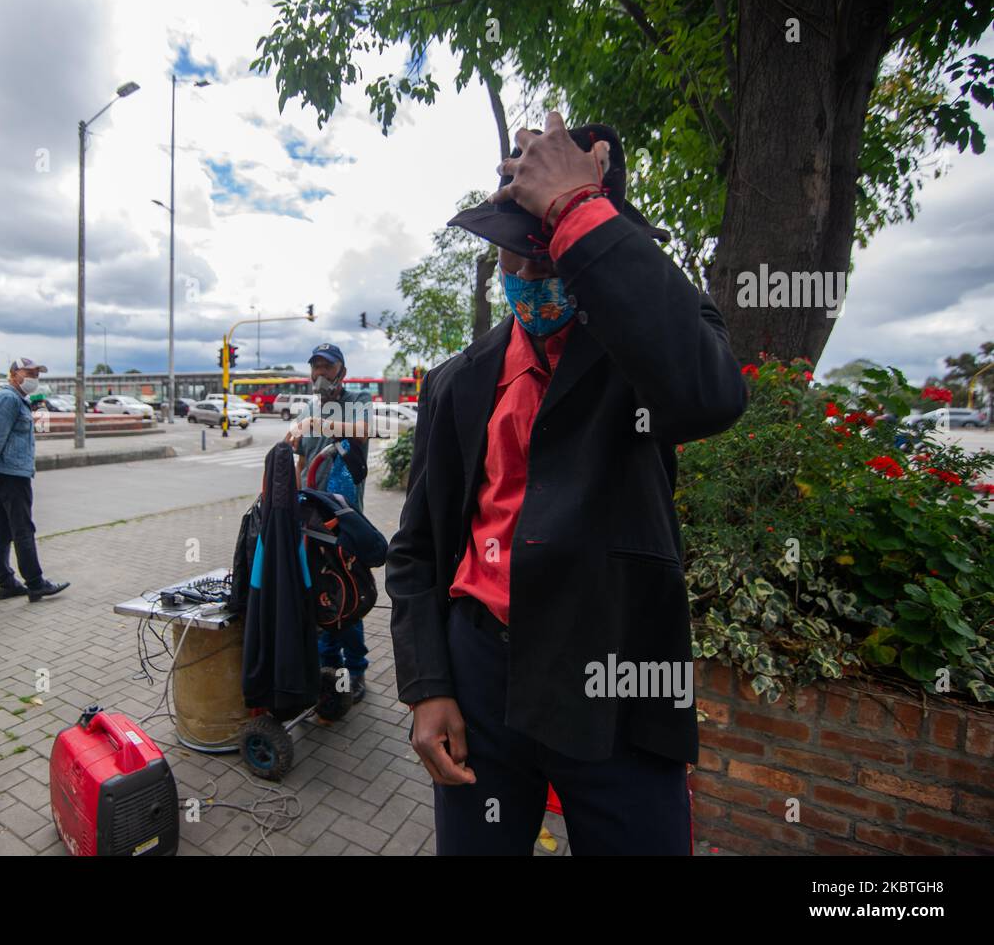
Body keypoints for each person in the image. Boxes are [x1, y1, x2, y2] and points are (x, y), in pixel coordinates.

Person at [386, 112, 748, 855]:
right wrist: (428, 686)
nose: (526, 277)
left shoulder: (646, 353)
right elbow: (417, 549)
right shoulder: (457, 382)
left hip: (618, 677)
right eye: (514, 255)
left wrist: (579, 207)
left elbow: (710, 396)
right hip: (480, 676)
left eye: (548, 256)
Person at [285, 343, 374, 702]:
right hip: (312, 519)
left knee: (347, 594)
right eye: (315, 367)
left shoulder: (358, 399)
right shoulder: (308, 408)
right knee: (319, 594)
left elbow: (365, 431)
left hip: (345, 519)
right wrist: (288, 505)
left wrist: (318, 422)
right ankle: (327, 666)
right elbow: (302, 464)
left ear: (341, 372)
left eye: (327, 367)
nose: (320, 374)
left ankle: (355, 671)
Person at [0, 357, 70, 602]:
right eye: (30, 372)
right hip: (11, 474)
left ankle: (6, 583)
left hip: (7, 472)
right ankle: (35, 583)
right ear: (14, 374)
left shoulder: (15, 399)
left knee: (3, 529)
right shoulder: (9, 400)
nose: (34, 378)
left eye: (37, 373)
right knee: (23, 528)